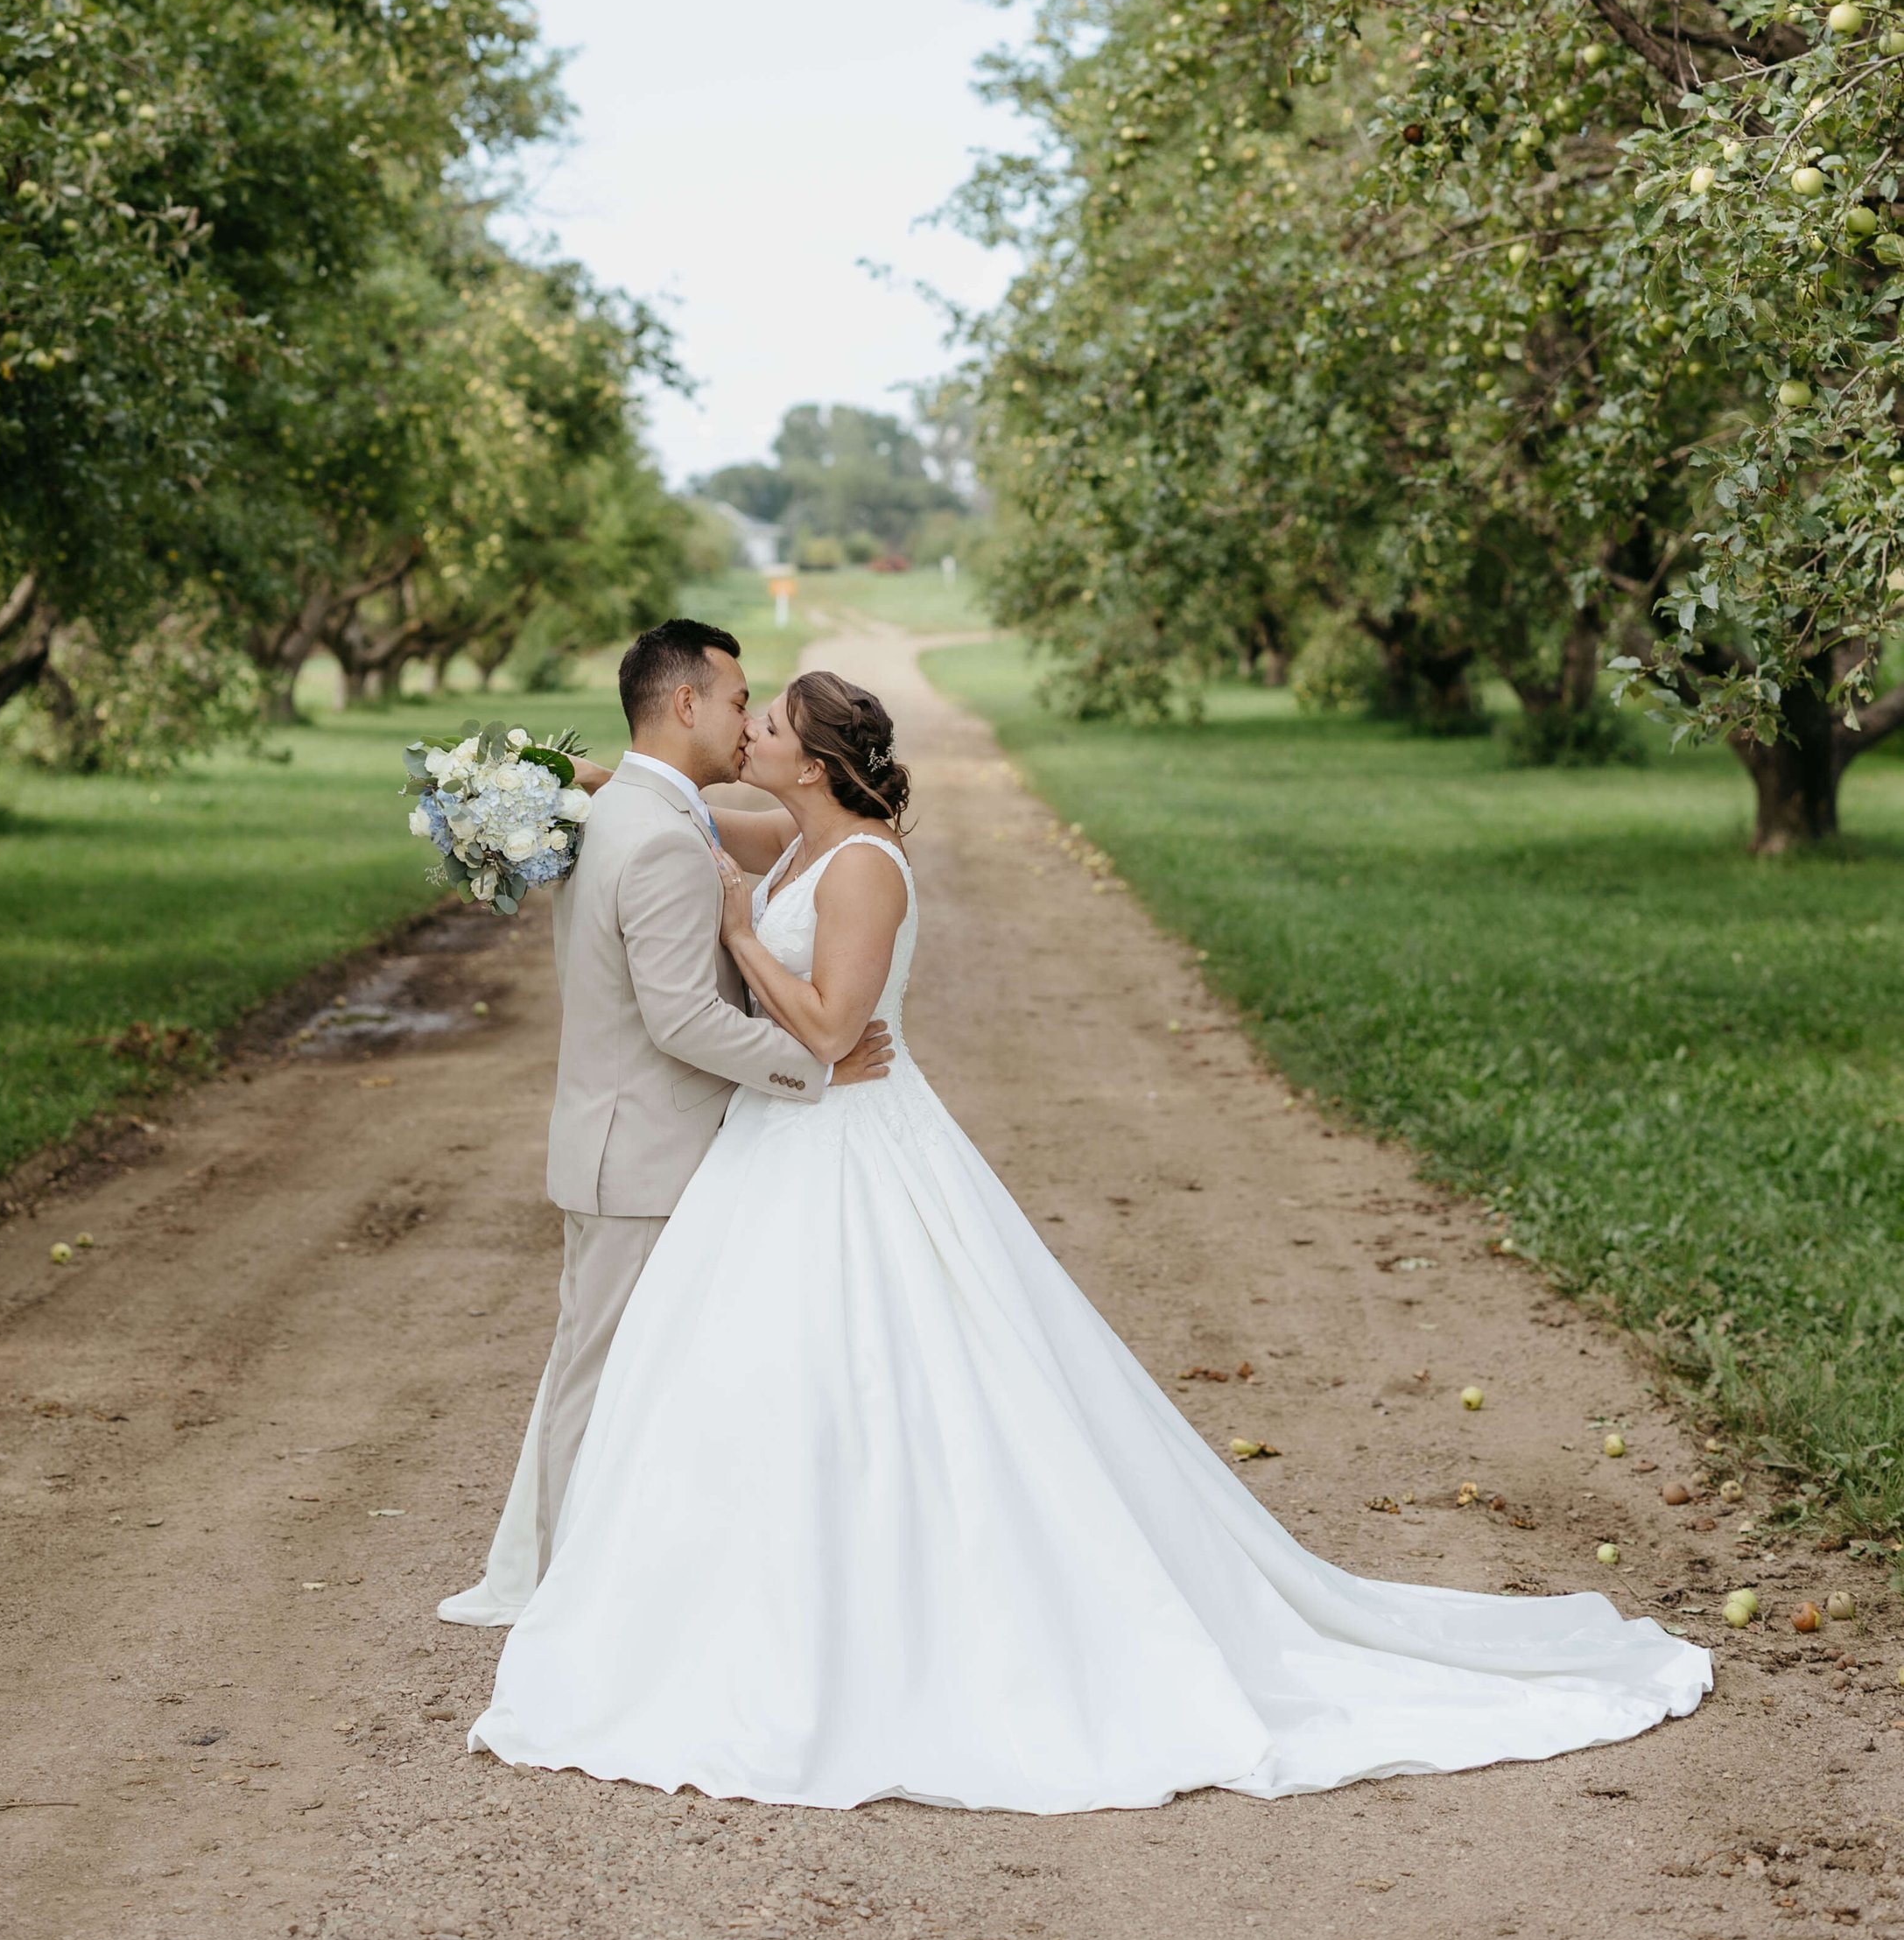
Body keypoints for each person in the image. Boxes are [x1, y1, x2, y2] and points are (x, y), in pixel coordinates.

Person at [464, 665, 1711, 1810]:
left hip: (849, 1133)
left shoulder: (860, 870)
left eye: (773, 722)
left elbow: (839, 1033)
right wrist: (546, 776)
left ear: (816, 759)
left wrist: (740, 936)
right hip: (777, 1152)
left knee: (898, 1372)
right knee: (753, 1377)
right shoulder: (787, 839)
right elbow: (671, 808)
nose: (753, 731)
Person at [437, 622, 889, 1623]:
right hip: (641, 1156)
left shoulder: (639, 814)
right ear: (685, 704)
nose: (745, 719)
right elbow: (681, 1016)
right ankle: (565, 1607)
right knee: (597, 1385)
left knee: (627, 1378)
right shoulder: (653, 835)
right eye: (738, 701)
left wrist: (582, 773)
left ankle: (626, 1593)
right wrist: (815, 1067)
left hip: (649, 1149)